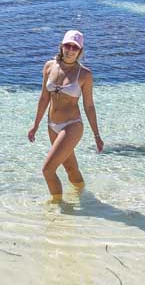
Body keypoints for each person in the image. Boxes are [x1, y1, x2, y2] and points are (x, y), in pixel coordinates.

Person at [27, 29, 103, 200]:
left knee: (48, 169)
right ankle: (85, 196)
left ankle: (58, 207)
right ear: (61, 46)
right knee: (70, 168)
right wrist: (36, 124)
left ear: (80, 51)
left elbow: (89, 106)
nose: (70, 50)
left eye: (75, 48)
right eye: (67, 46)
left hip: (72, 125)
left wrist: (96, 135)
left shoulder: (84, 74)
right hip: (52, 125)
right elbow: (44, 98)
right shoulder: (49, 66)